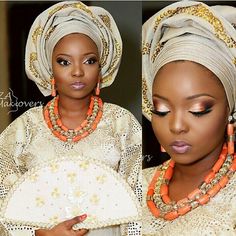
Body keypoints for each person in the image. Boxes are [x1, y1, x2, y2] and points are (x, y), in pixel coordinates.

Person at [0, 1, 142, 236]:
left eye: (89, 60)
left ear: (102, 67)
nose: (77, 71)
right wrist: (40, 233)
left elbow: (138, 203)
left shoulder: (122, 124)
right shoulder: (25, 129)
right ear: (49, 67)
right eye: (64, 61)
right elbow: (4, 201)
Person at [142, 1, 236, 235]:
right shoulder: (133, 185)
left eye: (198, 109)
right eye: (161, 110)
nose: (176, 126)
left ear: (229, 109)